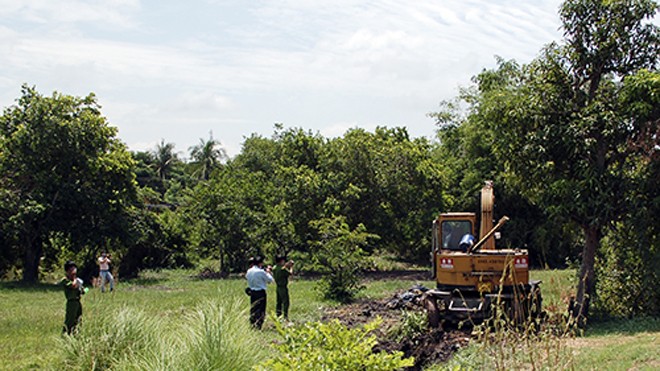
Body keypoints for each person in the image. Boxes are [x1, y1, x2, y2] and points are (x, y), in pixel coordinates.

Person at [245, 256, 273, 329]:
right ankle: (259, 325)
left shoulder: (249, 271)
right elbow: (270, 280)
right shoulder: (261, 272)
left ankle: (252, 323)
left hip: (252, 292)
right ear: (260, 263)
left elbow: (247, 277)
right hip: (260, 292)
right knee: (261, 309)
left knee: (253, 308)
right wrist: (268, 272)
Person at [60, 261, 87, 334]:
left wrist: (85, 289)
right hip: (71, 302)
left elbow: (84, 291)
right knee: (70, 319)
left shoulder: (77, 281)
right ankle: (65, 333)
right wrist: (75, 279)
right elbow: (73, 285)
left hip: (78, 301)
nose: (74, 271)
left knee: (78, 319)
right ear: (67, 271)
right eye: (72, 269)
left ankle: (75, 333)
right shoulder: (65, 280)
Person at [272, 255, 294, 320]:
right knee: (286, 302)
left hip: (278, 287)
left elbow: (282, 266)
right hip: (283, 287)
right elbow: (290, 273)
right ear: (281, 261)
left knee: (278, 302)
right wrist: (291, 267)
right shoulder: (283, 269)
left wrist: (287, 264)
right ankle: (285, 316)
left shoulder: (274, 268)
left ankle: (278, 315)